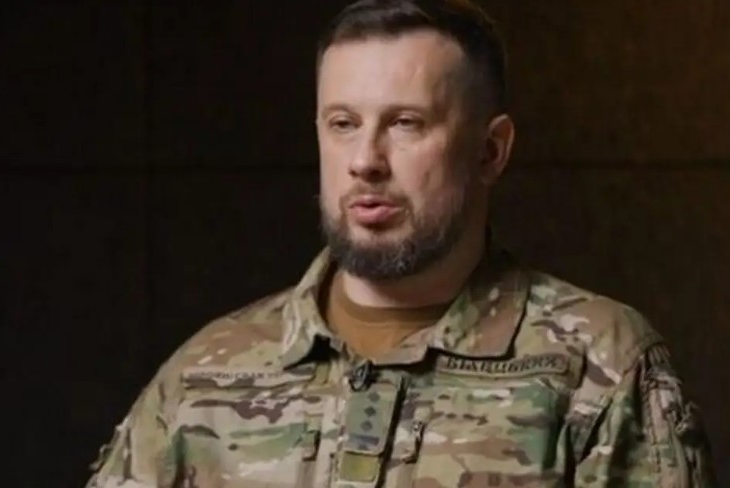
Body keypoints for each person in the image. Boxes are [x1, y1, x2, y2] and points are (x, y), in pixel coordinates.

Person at [85, 0, 715, 486]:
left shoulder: (598, 369)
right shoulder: (206, 377)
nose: (365, 160)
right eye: (343, 124)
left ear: (490, 150)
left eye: (405, 123)